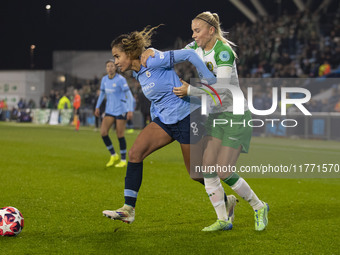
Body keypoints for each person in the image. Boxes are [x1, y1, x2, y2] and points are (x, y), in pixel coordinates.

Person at [102, 25, 226, 227]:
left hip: (187, 116)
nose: (115, 62)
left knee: (195, 174)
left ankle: (225, 199)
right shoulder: (137, 73)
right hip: (165, 122)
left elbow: (188, 54)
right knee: (135, 155)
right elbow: (159, 95)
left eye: (117, 56)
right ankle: (128, 209)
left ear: (129, 53)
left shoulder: (152, 58)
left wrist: (209, 80)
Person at [170, 12, 269, 231]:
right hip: (216, 116)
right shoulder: (195, 48)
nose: (193, 35)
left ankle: (259, 206)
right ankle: (223, 219)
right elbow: (171, 55)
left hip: (235, 114)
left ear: (211, 31)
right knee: (207, 168)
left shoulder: (223, 53)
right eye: (192, 30)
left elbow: (222, 92)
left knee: (223, 170)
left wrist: (190, 90)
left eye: (197, 30)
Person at [95, 59, 134, 168]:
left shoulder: (121, 80)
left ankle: (123, 160)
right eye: (108, 66)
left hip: (121, 109)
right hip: (109, 110)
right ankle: (113, 155)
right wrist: (97, 106)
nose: (110, 68)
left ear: (115, 67)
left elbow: (129, 95)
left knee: (120, 135)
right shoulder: (104, 80)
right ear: (106, 68)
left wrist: (130, 109)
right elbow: (102, 93)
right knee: (103, 132)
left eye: (112, 66)